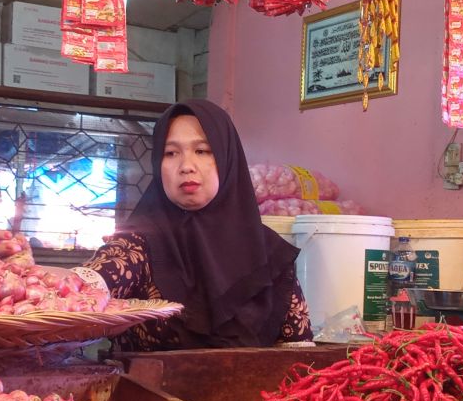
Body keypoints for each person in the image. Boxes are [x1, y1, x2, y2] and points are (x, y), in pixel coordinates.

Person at [83, 99, 313, 350]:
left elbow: (298, 360)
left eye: (202, 151)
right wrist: (43, 283)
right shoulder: (138, 245)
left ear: (226, 158)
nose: (186, 167)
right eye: (171, 153)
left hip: (255, 389)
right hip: (149, 390)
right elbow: (86, 285)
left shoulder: (269, 254)